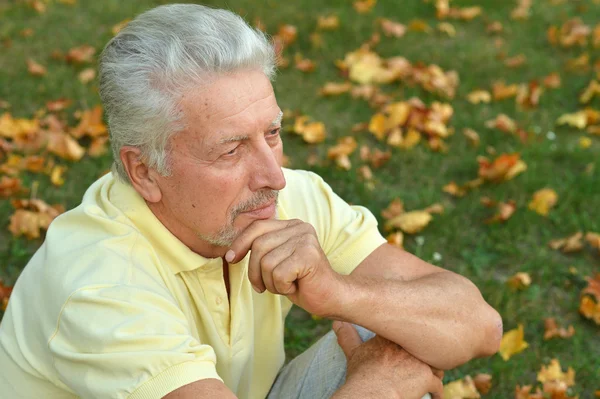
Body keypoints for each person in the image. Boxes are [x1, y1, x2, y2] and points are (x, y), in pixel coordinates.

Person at [0, 4, 503, 398]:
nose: (273, 176)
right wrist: (378, 388)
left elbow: (480, 327)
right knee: (390, 370)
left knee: (399, 330)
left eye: (273, 132)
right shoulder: (99, 285)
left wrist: (339, 294)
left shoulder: (280, 198)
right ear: (145, 172)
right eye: (231, 149)